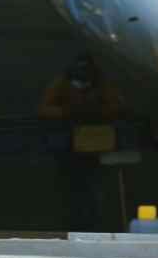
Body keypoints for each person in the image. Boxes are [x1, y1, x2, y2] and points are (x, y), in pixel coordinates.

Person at [39, 53, 125, 230]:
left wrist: (97, 111)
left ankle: (92, 223)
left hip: (95, 145)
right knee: (70, 187)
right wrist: (68, 111)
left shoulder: (102, 85)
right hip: (68, 145)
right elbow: (44, 109)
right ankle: (71, 222)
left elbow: (117, 106)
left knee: (93, 188)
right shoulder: (62, 84)